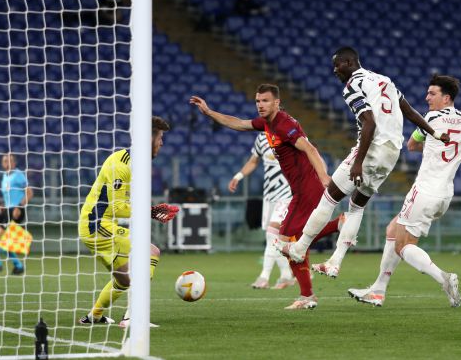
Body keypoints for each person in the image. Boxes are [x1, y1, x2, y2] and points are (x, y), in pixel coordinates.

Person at [275, 46, 447, 278]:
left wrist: (358, 162)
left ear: (349, 62)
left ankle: (299, 248)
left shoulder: (352, 85)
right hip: (392, 153)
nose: (334, 70)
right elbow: (411, 112)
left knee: (328, 197)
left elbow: (369, 122)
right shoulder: (385, 80)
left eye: (337, 65)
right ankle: (335, 261)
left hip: (372, 149)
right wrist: (434, 133)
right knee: (356, 206)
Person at [348, 74, 461, 307]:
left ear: (446, 98)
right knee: (393, 229)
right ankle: (378, 290)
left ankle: (444, 278)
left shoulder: (432, 118)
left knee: (403, 246)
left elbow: (411, 145)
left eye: (432, 93)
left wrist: (428, 144)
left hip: (424, 191)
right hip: (445, 194)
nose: (426, 97)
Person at [190, 84, 342, 310]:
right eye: (258, 101)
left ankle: (335, 230)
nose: (260, 105)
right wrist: (210, 112)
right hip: (299, 190)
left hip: (307, 189)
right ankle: (308, 294)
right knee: (296, 243)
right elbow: (240, 124)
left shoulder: (284, 124)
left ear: (276, 103)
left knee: (285, 242)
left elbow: (310, 149)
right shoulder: (266, 123)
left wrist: (324, 177)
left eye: (265, 101)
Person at [78, 116, 179, 325]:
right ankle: (133, 317)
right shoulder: (122, 164)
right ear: (149, 137)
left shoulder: (136, 163)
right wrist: (150, 211)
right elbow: (117, 207)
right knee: (151, 252)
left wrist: (149, 211)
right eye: (160, 137)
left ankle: (94, 316)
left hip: (103, 225)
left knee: (124, 280)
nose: (162, 143)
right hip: (97, 225)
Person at [229, 132, 296, 290]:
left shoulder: (290, 133)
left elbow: (309, 154)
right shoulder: (261, 138)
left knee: (271, 234)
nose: (261, 106)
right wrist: (238, 176)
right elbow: (253, 161)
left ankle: (264, 277)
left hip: (287, 194)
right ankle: (286, 275)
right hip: (269, 195)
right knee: (274, 239)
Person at [0, 153, 33, 275]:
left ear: (14, 163)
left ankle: (18, 265)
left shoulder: (18, 175)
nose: (7, 162)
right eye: (5, 160)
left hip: (16, 211)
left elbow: (29, 193)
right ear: (2, 163)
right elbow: (10, 195)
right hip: (7, 210)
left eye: (10, 160)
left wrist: (19, 206)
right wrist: (4, 204)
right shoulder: (5, 176)